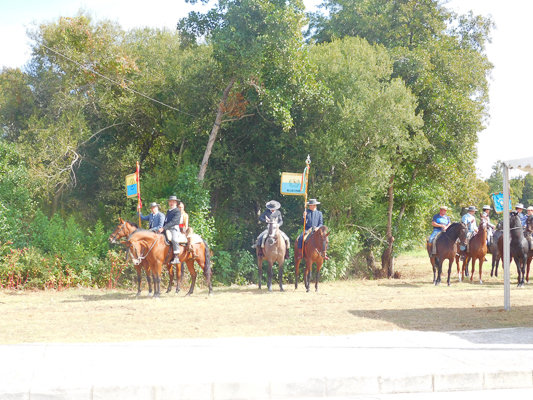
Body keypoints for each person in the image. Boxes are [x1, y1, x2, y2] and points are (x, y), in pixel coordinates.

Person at [157, 196, 183, 264]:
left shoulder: (177, 211)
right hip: (167, 228)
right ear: (169, 203)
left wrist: (163, 228)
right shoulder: (169, 211)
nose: (172, 203)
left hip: (174, 228)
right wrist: (162, 228)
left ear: (176, 203)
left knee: (174, 239)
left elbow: (174, 221)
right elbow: (166, 221)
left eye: (173, 202)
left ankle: (176, 257)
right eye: (171, 202)